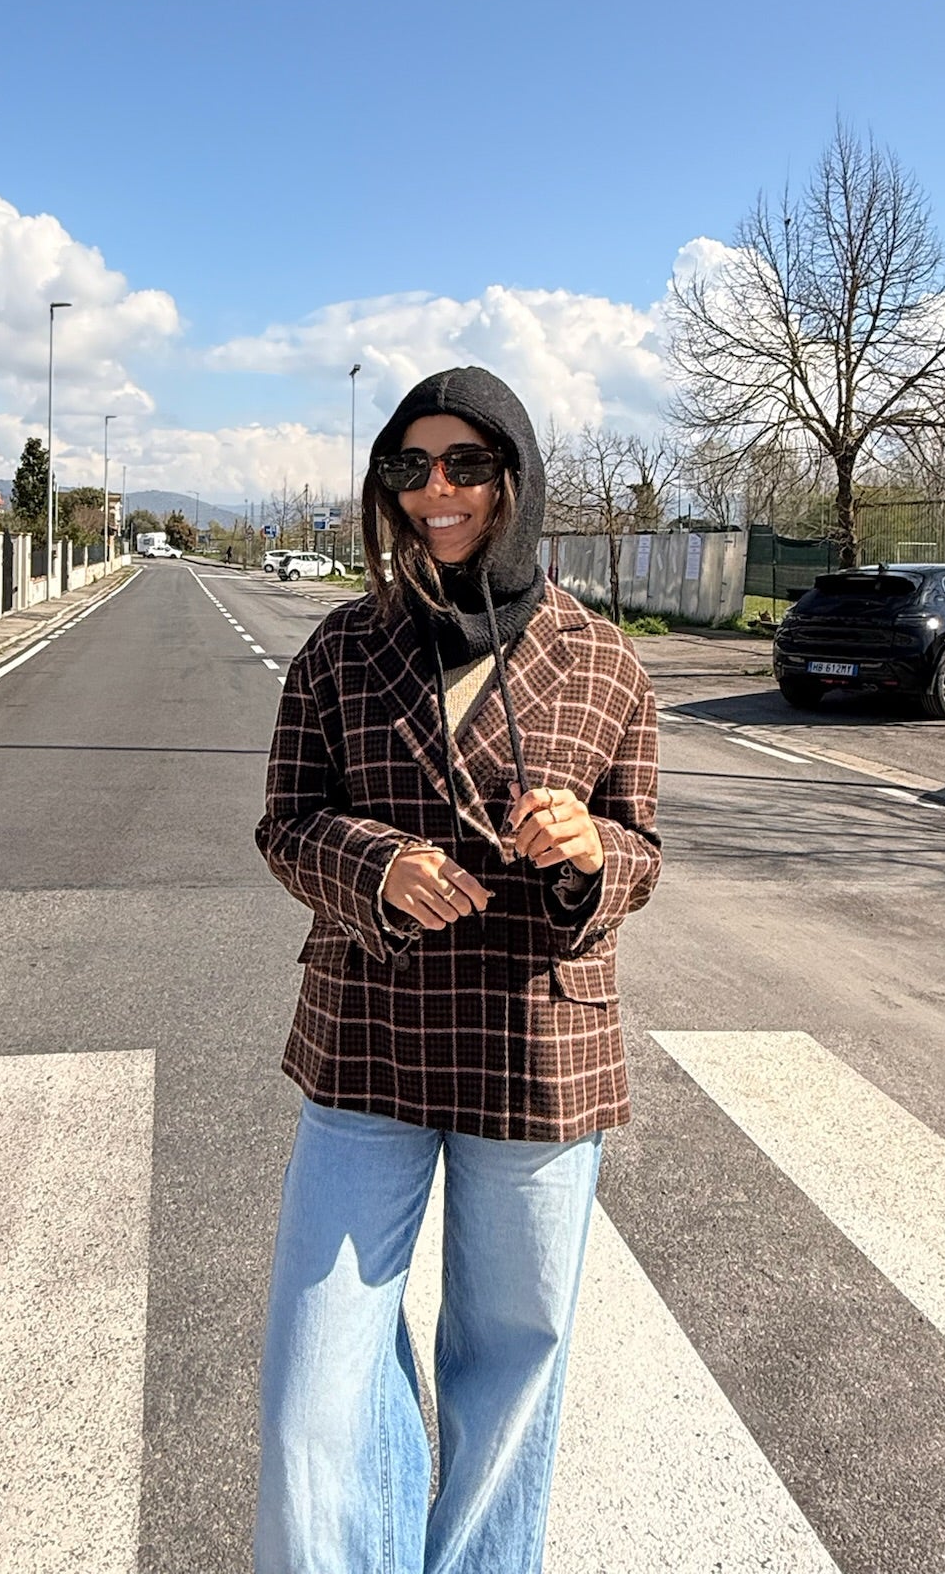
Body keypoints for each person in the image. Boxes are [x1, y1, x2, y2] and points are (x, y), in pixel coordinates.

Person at [253, 366, 661, 1574]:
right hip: (370, 1031)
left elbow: (641, 845)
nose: (438, 490)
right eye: (411, 467)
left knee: (509, 1362)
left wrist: (592, 854)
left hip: (538, 1043)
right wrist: (375, 864)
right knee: (319, 1380)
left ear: (515, 480)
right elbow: (286, 823)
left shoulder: (604, 661)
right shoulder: (340, 646)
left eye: (467, 465)